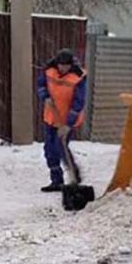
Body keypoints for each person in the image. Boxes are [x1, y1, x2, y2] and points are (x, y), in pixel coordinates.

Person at [36, 48, 87, 192]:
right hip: (51, 117)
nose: (63, 68)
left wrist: (68, 125)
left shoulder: (78, 78)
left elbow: (79, 102)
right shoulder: (48, 71)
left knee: (60, 147)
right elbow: (41, 84)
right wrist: (45, 96)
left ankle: (75, 175)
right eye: (61, 64)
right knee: (49, 150)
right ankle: (56, 180)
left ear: (71, 65)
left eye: (66, 65)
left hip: (67, 120)